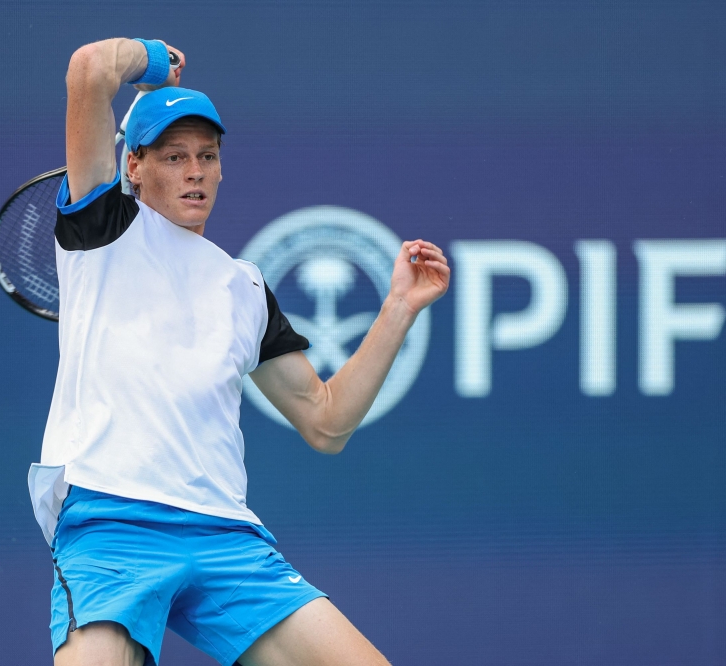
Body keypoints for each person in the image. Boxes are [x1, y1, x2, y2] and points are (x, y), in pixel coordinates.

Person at [29, 37, 450, 666]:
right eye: (174, 156)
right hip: (113, 524)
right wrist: (149, 60)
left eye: (207, 155)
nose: (195, 170)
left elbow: (327, 421)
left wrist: (398, 308)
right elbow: (89, 70)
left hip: (225, 536)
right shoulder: (103, 230)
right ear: (133, 168)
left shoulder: (244, 285)